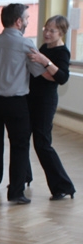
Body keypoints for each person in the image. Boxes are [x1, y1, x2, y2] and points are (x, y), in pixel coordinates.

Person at [0, 3, 46, 204]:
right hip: (15, 103)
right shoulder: (25, 44)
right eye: (27, 18)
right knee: (19, 145)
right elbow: (39, 73)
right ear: (18, 21)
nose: (28, 21)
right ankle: (16, 192)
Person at [25, 16, 76, 201]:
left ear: (61, 33)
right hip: (31, 98)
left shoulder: (62, 52)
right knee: (22, 138)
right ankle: (22, 178)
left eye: (52, 31)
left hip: (45, 102)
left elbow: (61, 78)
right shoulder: (45, 47)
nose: (46, 33)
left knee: (42, 143)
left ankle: (63, 186)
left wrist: (44, 62)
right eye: (45, 29)